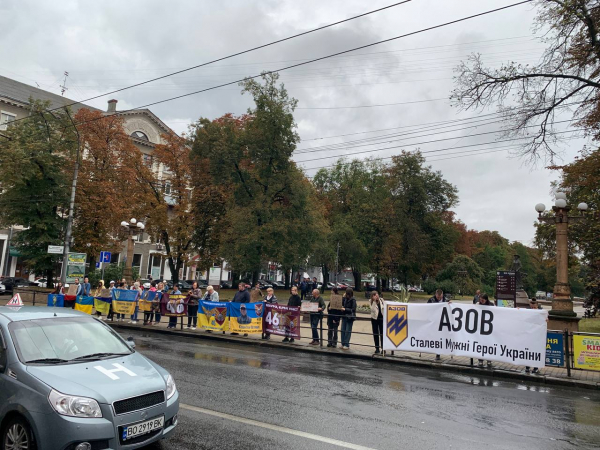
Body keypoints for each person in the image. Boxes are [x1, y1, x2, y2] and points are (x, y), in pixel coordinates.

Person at [475, 293, 494, 367]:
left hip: (488, 328)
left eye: (482, 300)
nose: (481, 301)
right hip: (480, 328)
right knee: (481, 344)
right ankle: (480, 360)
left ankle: (489, 359)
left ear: (486, 299)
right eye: (480, 300)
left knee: (488, 344)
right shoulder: (477, 304)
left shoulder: (491, 305)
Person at [428, 288, 448, 360]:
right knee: (436, 337)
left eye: (440, 297)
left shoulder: (446, 300)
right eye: (438, 297)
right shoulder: (431, 300)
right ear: (435, 295)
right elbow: (427, 309)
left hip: (443, 322)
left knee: (441, 337)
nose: (439, 298)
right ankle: (437, 353)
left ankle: (439, 352)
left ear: (442, 295)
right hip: (434, 321)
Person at [526, 298, 544, 374]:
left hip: (537, 335)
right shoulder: (527, 311)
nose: (533, 309)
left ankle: (535, 367)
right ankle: (527, 367)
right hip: (529, 335)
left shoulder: (542, 312)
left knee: (536, 351)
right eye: (532, 307)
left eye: (534, 307)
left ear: (537, 306)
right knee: (528, 351)